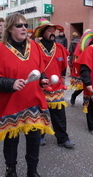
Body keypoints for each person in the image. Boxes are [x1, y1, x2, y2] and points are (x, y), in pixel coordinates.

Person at [0, 13, 54, 177]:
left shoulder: (35, 46)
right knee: (11, 141)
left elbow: (40, 70)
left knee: (34, 139)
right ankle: (11, 170)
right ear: (9, 29)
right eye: (19, 25)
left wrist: (43, 80)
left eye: (25, 25)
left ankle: (32, 171)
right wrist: (11, 83)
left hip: (33, 102)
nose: (24, 28)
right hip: (10, 103)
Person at [31, 18, 74, 148]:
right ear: (43, 32)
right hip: (40, 86)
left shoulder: (60, 47)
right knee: (40, 113)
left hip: (56, 88)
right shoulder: (35, 47)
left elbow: (62, 66)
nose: (52, 32)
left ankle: (62, 138)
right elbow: (32, 65)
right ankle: (39, 136)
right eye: (49, 30)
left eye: (53, 30)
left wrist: (61, 79)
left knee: (59, 115)